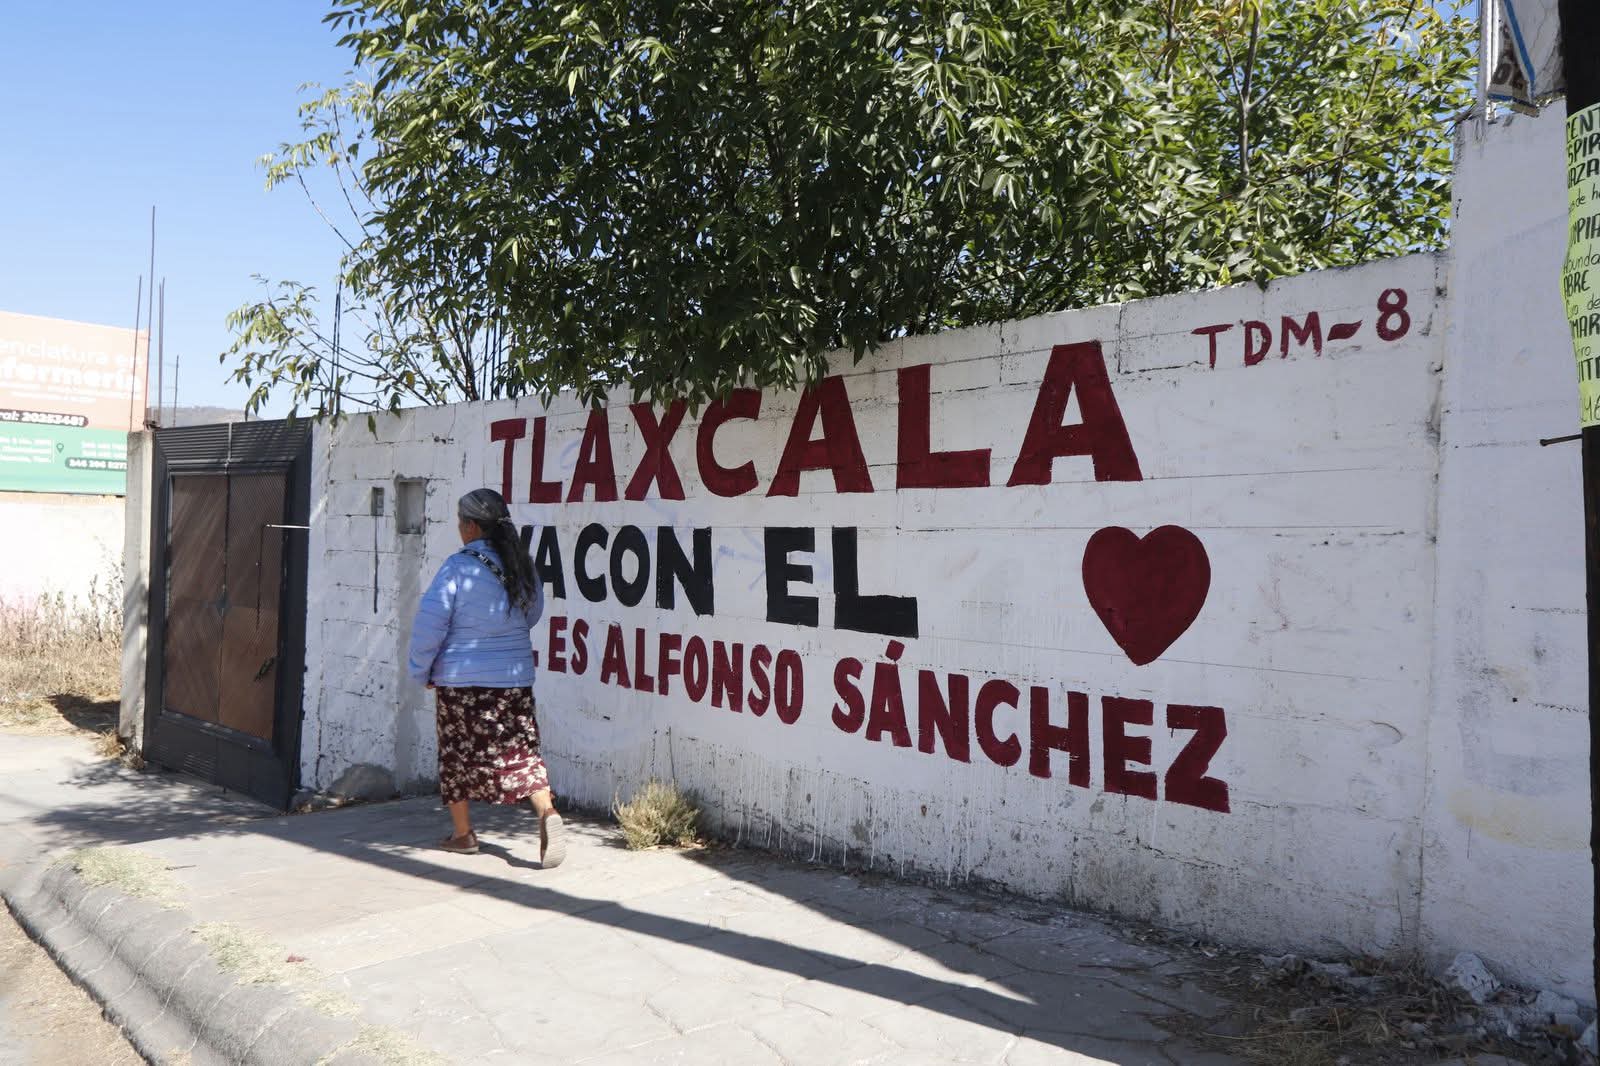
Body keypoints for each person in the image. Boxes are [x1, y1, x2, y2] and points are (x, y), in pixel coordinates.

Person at [406, 488, 566, 866]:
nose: (459, 530)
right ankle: (547, 812)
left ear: (472, 526)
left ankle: (464, 835)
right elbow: (531, 613)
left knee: (457, 756)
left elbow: (431, 623)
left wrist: (422, 669)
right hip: (513, 678)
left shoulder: (458, 567)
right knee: (522, 751)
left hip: (462, 682)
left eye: (461, 524)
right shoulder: (521, 566)